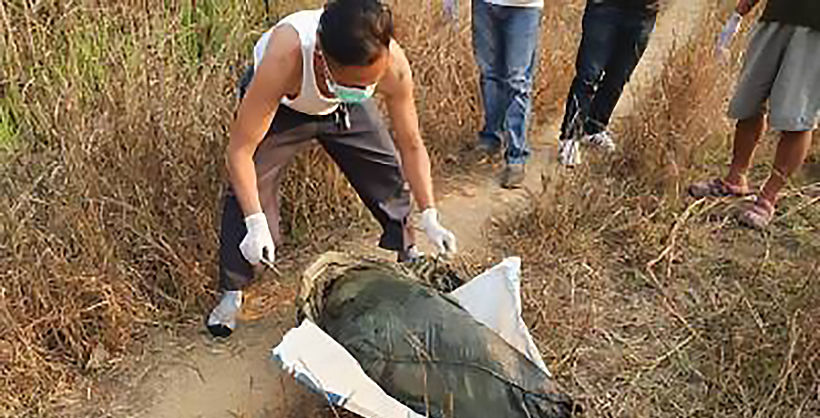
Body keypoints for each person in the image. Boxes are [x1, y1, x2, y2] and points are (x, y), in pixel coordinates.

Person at [207, 0, 457, 337]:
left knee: (385, 171)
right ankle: (232, 293)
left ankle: (408, 250)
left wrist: (430, 213)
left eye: (371, 82)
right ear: (323, 58)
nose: (364, 89)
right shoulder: (285, 56)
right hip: (285, 104)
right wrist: (255, 221)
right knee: (250, 191)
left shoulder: (389, 65)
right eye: (354, 83)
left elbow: (410, 143)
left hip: (341, 108)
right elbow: (240, 151)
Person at [688, 0, 819, 229]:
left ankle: (768, 198)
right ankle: (734, 179)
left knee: (796, 115)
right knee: (748, 101)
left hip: (815, 32)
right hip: (775, 16)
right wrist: (743, 8)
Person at [557, 0, 659, 166]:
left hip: (644, 12)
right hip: (604, 7)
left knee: (619, 76)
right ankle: (570, 137)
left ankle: (594, 128)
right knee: (589, 74)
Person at [465, 0, 544, 188]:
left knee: (517, 82)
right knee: (489, 74)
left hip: (524, 7)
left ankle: (516, 156)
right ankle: (491, 137)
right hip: (485, 4)